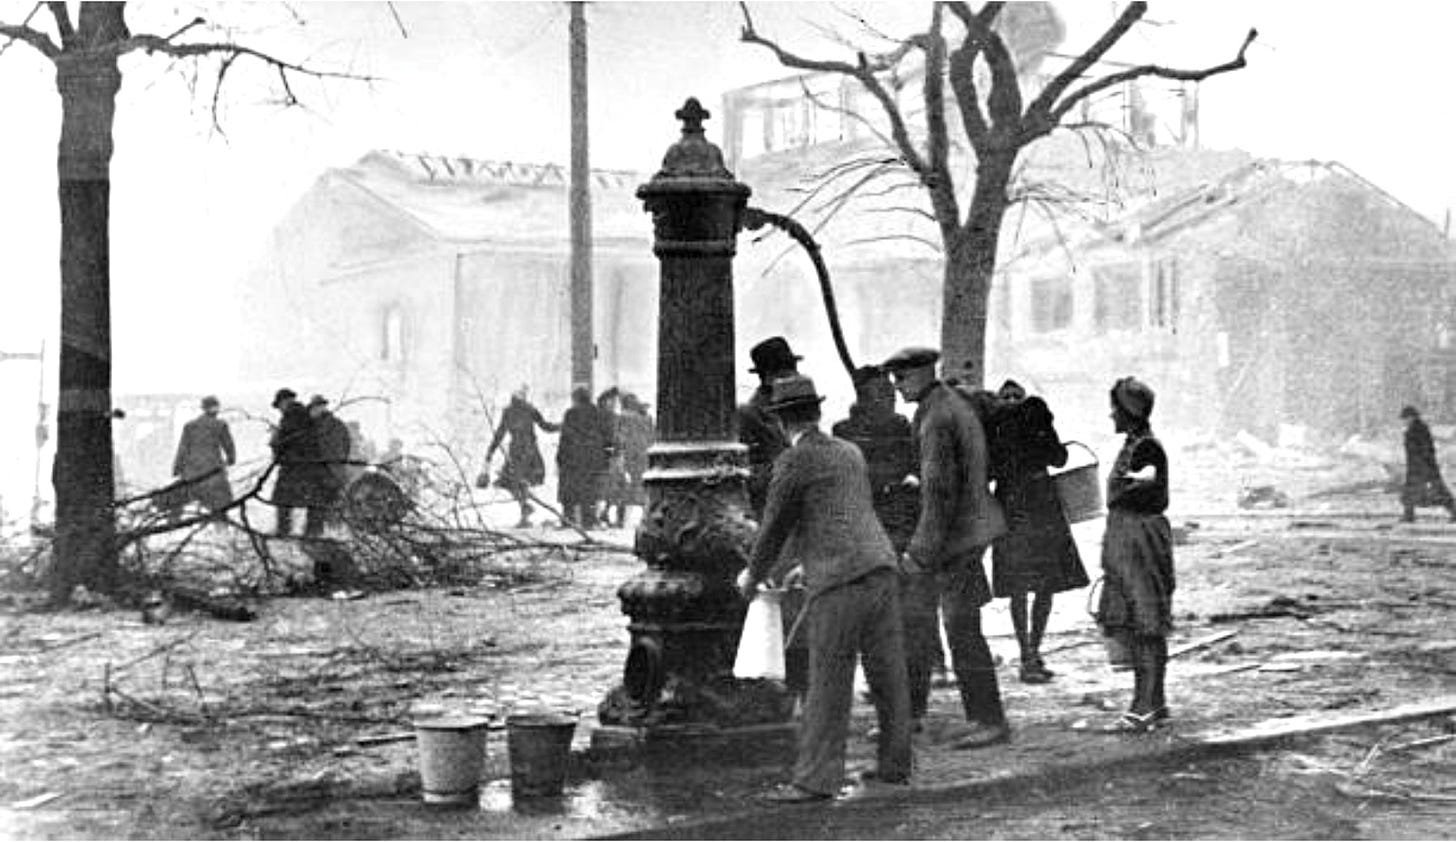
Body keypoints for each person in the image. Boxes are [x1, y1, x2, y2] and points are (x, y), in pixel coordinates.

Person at [738, 373, 912, 802]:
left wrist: (752, 577)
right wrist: (806, 563)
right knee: (889, 674)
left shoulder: (792, 461)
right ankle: (896, 765)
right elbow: (839, 513)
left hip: (839, 581)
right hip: (880, 566)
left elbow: (774, 528)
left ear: (780, 422)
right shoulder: (849, 451)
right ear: (816, 411)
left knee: (829, 680)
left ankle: (815, 780)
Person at [881, 346, 1010, 750]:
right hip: (968, 530)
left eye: (902, 378)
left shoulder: (936, 417)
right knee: (944, 624)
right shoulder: (948, 404)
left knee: (957, 627)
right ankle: (923, 716)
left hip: (958, 537)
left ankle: (988, 720)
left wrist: (918, 554)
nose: (896, 386)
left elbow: (939, 495)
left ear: (923, 373)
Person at [831, 365, 934, 723]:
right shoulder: (844, 433)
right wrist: (893, 482)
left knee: (913, 625)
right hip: (866, 539)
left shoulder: (905, 429)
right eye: (881, 394)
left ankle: (914, 707)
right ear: (863, 398)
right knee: (874, 629)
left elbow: (919, 475)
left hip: (903, 536)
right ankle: (887, 705)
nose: (890, 399)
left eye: (890, 393)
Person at [989, 380, 1089, 683]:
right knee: (1046, 583)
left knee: (1017, 585)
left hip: (1010, 505)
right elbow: (1059, 458)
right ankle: (1033, 650)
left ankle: (1026, 653)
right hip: (1041, 502)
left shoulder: (993, 423)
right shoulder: (1036, 414)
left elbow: (988, 469)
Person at [1097, 376, 1174, 733]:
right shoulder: (1136, 443)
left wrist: (1136, 482)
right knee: (1139, 619)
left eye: (1115, 408)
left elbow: (1146, 483)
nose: (1111, 415)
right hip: (1128, 537)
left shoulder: (1146, 448)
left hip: (1139, 540)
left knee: (1145, 620)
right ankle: (1154, 702)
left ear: (1129, 412)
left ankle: (1143, 706)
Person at [738, 336, 802, 520]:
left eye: (793, 368)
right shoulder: (749, 415)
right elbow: (747, 474)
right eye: (786, 370)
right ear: (768, 377)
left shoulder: (797, 408)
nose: (795, 375)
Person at [485, 385, 560, 528]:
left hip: (518, 452)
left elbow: (500, 433)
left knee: (513, 482)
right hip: (528, 451)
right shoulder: (528, 409)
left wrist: (491, 450)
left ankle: (524, 510)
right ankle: (525, 510)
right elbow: (546, 426)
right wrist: (562, 426)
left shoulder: (511, 411)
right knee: (518, 482)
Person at [170, 395, 237, 520]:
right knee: (220, 505)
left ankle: (172, 525)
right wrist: (231, 459)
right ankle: (221, 528)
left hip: (192, 472)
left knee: (178, 500)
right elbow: (229, 446)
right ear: (216, 408)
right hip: (213, 472)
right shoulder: (220, 425)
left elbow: (183, 449)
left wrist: (177, 469)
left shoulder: (190, 426)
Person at [269, 388, 324, 537]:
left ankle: (283, 531)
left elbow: (285, 442)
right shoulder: (306, 415)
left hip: (293, 465)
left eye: (279, 406)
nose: (279, 410)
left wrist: (275, 439)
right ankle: (313, 533)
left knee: (282, 499)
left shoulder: (290, 416)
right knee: (313, 500)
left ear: (284, 402)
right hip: (311, 464)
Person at [557, 385, 609, 529]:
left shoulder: (571, 413)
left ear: (576, 398)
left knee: (570, 489)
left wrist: (560, 457)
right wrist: (606, 457)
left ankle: (569, 520)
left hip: (573, 457)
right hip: (594, 458)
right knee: (590, 490)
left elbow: (565, 436)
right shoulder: (598, 413)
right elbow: (606, 436)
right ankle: (589, 520)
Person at [1399, 405, 1456, 523]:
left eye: (1405, 418)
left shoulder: (1417, 430)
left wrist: (1423, 465)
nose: (1404, 421)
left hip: (1422, 467)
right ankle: (1408, 515)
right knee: (1411, 492)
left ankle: (1409, 516)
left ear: (1411, 417)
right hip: (1420, 466)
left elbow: (1424, 450)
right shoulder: (1416, 429)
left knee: (1436, 491)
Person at [308, 395, 352, 529]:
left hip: (322, 473)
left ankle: (315, 534)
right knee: (334, 506)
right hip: (337, 472)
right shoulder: (339, 424)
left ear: (317, 408)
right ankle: (334, 533)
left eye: (312, 409)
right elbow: (347, 446)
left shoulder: (315, 427)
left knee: (317, 508)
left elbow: (314, 450)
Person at [617, 393, 655, 527]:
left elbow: (620, 438)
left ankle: (620, 520)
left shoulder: (624, 418)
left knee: (625, 489)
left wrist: (620, 454)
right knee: (643, 489)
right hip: (643, 456)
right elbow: (652, 437)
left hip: (630, 457)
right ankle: (646, 519)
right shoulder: (647, 418)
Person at [596, 387, 629, 528]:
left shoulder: (616, 418)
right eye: (611, 401)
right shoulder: (602, 418)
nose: (614, 404)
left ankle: (613, 516)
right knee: (610, 488)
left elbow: (621, 437)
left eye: (615, 401)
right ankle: (607, 515)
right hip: (607, 457)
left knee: (618, 487)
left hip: (616, 456)